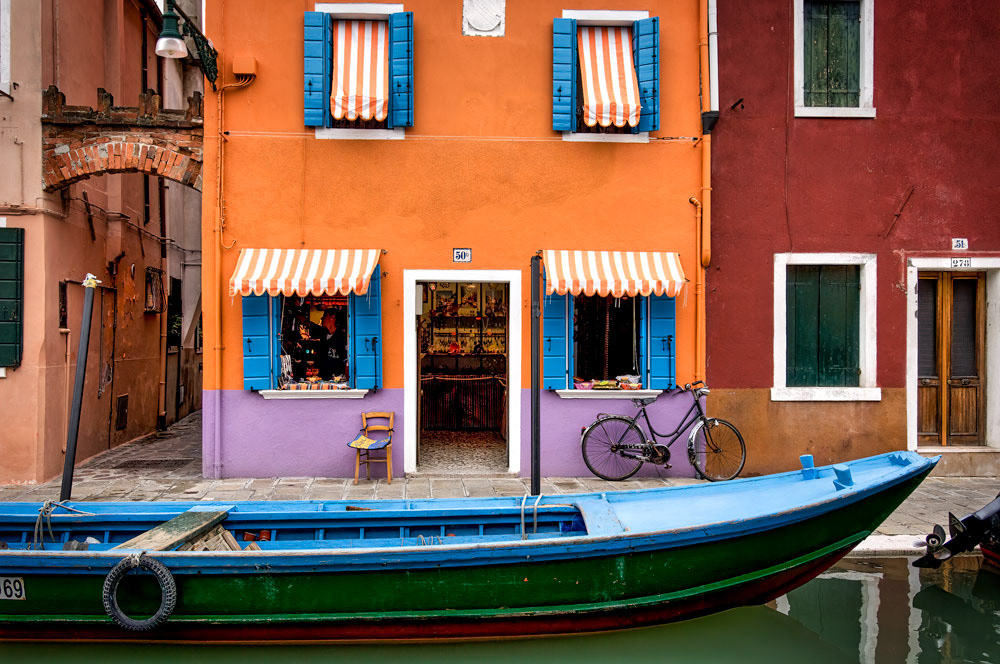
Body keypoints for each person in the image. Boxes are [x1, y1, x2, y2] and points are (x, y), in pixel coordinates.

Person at [319, 309, 348, 378]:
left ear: (332, 318)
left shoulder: (342, 337)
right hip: (323, 378)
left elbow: (346, 360)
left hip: (338, 378)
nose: (322, 319)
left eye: (324, 316)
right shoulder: (323, 334)